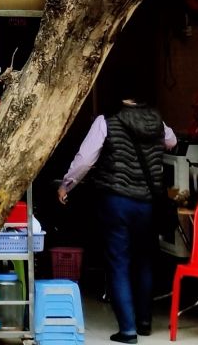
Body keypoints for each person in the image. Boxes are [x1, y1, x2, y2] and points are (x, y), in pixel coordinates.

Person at [57, 86, 177, 343]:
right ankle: (144, 322)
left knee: (118, 262)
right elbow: (172, 142)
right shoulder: (156, 119)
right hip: (147, 202)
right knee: (145, 260)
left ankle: (128, 330)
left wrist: (67, 184)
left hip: (116, 201)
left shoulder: (106, 120)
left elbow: (86, 160)